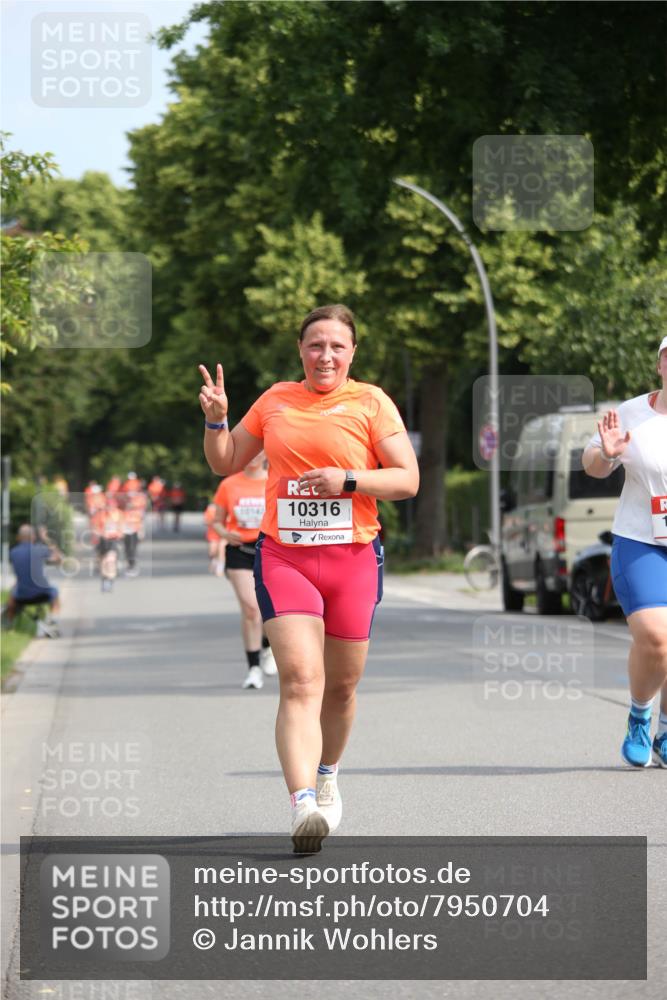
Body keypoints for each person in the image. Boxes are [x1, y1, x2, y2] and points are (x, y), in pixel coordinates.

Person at [199, 303, 419, 852]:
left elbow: (407, 479)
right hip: (285, 557)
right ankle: (301, 804)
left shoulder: (370, 402)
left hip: (353, 559)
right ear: (301, 350)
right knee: (299, 680)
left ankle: (326, 774)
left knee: (341, 688)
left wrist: (348, 480)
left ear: (352, 353)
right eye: (315, 345)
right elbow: (224, 461)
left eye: (336, 346)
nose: (325, 355)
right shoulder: (276, 399)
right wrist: (216, 419)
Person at [583, 335, 667, 768]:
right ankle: (639, 714)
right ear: (659, 365)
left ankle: (666, 730)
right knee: (656, 638)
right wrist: (607, 454)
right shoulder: (632, 413)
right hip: (641, 540)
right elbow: (593, 464)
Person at [212, 452, 277, 689]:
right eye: (247, 452)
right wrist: (224, 534)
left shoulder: (275, 479)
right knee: (251, 609)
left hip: (270, 549)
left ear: (266, 454)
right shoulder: (229, 484)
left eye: (257, 451)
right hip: (239, 551)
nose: (251, 456)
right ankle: (253, 668)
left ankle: (268, 647)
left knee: (269, 609)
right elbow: (217, 520)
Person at [7, 525, 62, 636]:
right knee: (55, 591)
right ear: (33, 537)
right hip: (43, 593)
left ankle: (9, 626)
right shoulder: (40, 549)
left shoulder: (12, 553)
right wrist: (45, 538)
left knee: (11, 595)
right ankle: (51, 620)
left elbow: (20, 574)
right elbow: (59, 559)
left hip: (21, 596)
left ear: (18, 537)